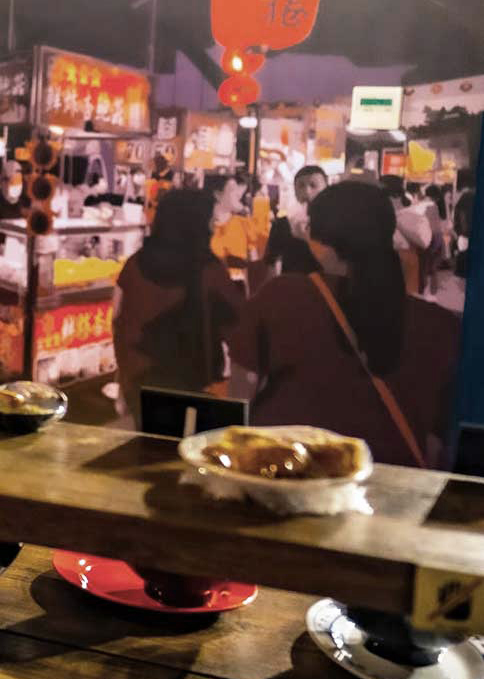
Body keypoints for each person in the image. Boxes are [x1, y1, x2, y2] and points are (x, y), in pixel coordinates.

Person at [229, 181, 461, 468]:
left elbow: (240, 395)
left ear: (319, 240)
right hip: (390, 480)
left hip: (288, 471)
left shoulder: (282, 296)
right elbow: (439, 440)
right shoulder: (440, 325)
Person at [113, 189, 245, 424]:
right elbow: (239, 332)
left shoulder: (134, 265)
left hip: (140, 384)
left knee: (150, 443)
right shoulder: (210, 271)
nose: (212, 228)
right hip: (194, 389)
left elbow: (119, 323)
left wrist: (123, 382)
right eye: (209, 221)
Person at [264, 165, 326, 275]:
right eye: (301, 186)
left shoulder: (334, 224)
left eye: (313, 185)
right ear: (295, 191)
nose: (307, 191)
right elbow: (270, 262)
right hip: (291, 283)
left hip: (324, 283)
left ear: (326, 189)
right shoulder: (281, 224)